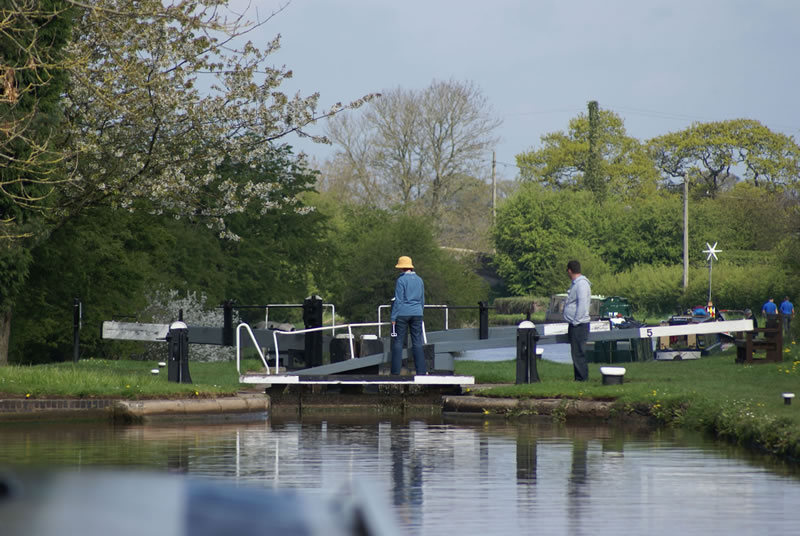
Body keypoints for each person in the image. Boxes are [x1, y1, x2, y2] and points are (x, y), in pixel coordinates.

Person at [390, 255, 427, 375]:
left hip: (402, 313)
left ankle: (395, 372)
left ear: (401, 268)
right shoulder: (419, 280)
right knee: (417, 342)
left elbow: (399, 300)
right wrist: (420, 312)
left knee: (398, 342)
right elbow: (422, 299)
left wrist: (393, 317)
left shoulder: (401, 280)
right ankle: (421, 371)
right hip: (417, 313)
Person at [564, 260, 591, 382]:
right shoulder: (575, 284)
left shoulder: (581, 284)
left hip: (579, 325)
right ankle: (578, 378)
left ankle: (582, 379)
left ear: (570, 270)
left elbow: (582, 305)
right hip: (575, 324)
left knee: (579, 353)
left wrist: (576, 321)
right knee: (575, 353)